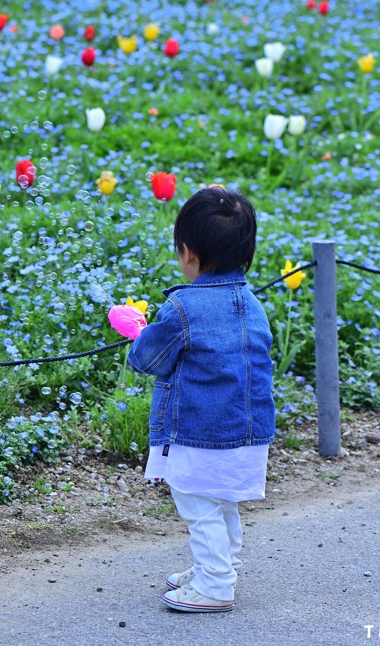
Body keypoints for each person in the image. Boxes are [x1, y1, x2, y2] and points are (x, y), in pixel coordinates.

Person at [112, 184, 275, 612]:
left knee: (198, 504)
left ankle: (216, 584)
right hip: (249, 430)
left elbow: (147, 359)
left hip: (200, 430)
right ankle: (219, 566)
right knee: (222, 500)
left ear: (188, 252)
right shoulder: (253, 302)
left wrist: (139, 332)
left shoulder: (183, 308)